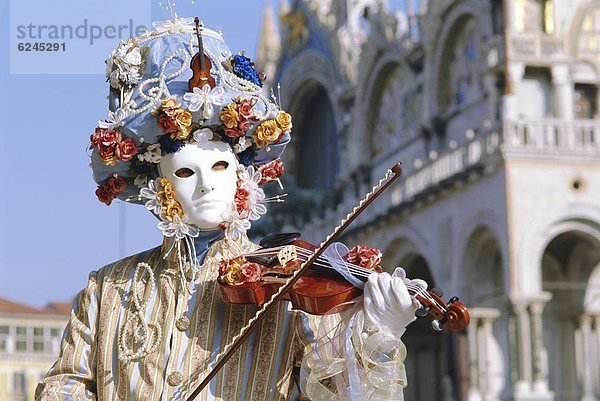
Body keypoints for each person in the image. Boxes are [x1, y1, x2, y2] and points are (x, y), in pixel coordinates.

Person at [35, 17, 427, 401]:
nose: (206, 184)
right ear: (160, 187)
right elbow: (64, 387)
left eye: (220, 166)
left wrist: (377, 333)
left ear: (243, 176)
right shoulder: (107, 290)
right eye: (187, 171)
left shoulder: (289, 291)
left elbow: (335, 394)